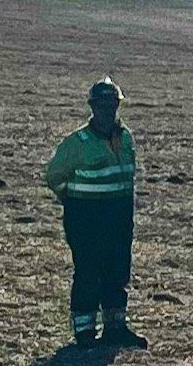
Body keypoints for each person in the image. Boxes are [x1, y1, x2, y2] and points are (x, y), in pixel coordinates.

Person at [42, 78, 147, 352]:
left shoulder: (125, 137)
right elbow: (54, 176)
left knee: (117, 272)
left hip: (119, 217)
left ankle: (115, 328)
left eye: (112, 105)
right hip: (86, 219)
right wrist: (76, 202)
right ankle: (85, 332)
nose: (107, 111)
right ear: (92, 107)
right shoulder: (77, 143)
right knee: (88, 273)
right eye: (102, 106)